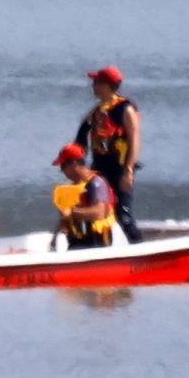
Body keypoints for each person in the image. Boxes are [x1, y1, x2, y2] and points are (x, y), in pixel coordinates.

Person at [74, 65, 142, 244]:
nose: (92, 86)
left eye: (96, 82)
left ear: (106, 85)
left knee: (123, 213)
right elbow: (80, 141)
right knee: (99, 209)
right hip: (99, 167)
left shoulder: (124, 108)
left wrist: (128, 171)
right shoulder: (97, 111)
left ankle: (139, 248)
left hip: (119, 167)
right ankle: (101, 248)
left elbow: (134, 139)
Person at [52, 143, 117, 249]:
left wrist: (72, 212)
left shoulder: (96, 183)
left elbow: (99, 212)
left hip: (97, 243)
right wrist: (55, 236)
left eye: (63, 166)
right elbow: (66, 216)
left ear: (74, 163)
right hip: (77, 242)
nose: (61, 170)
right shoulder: (73, 188)